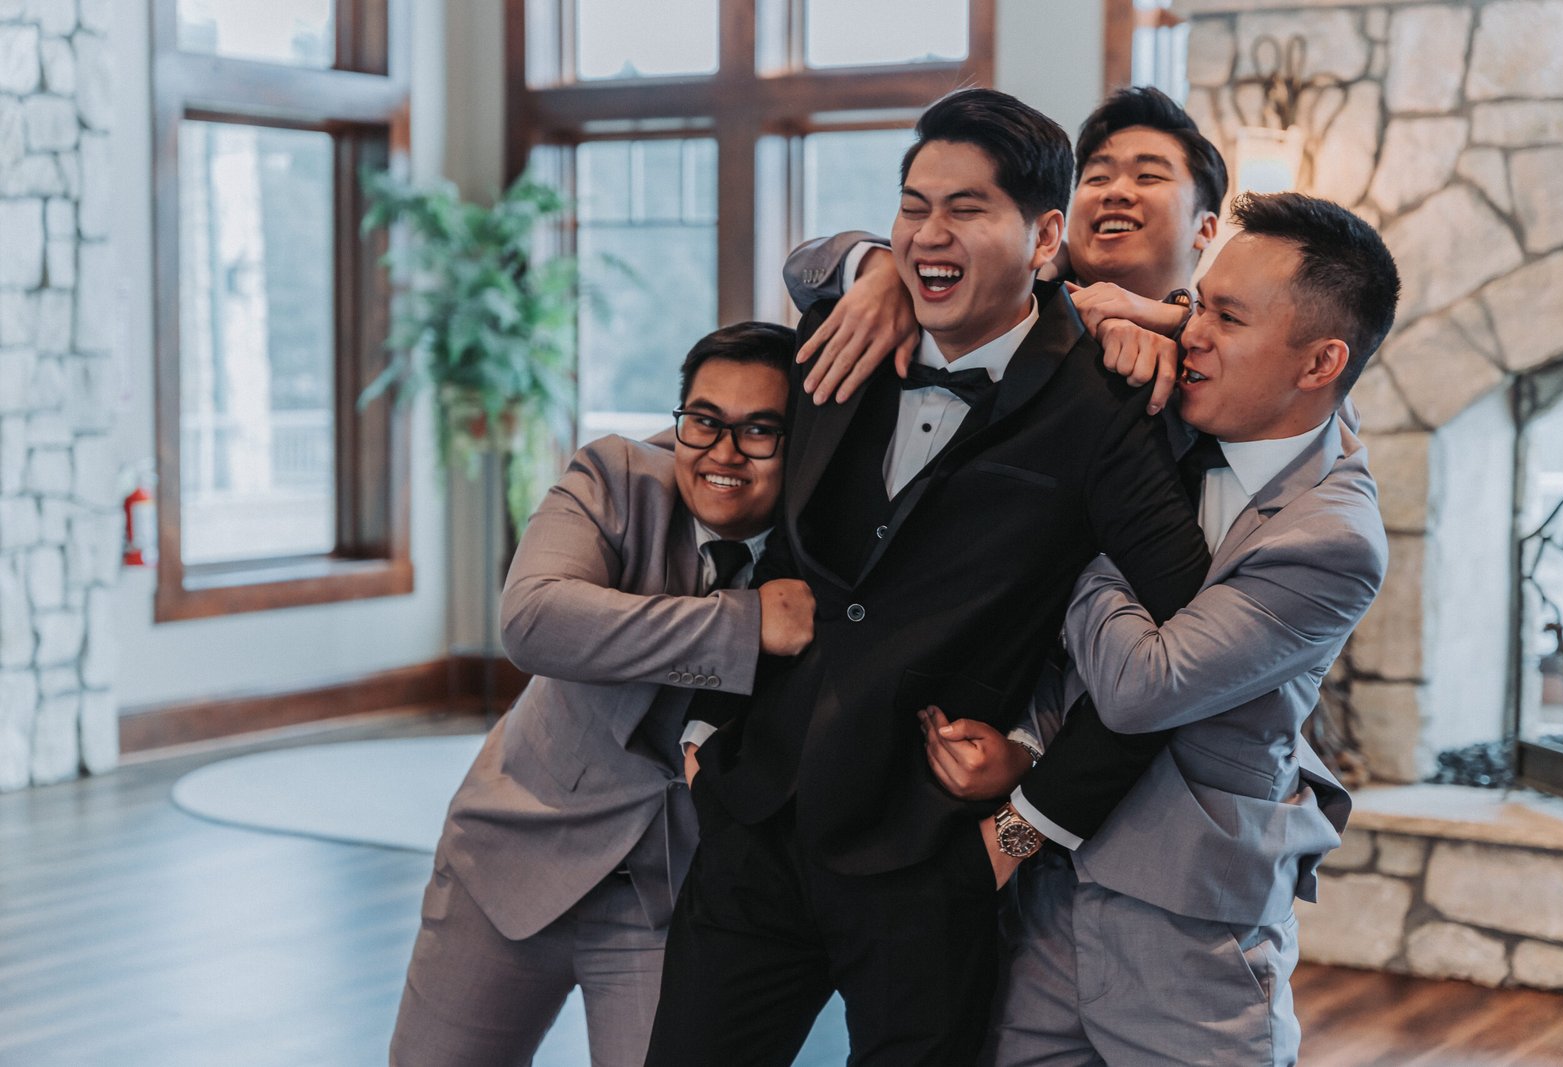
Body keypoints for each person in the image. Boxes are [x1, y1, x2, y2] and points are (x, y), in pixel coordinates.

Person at [644, 87, 1210, 1066]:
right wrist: (705, 733)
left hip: (931, 863)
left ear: (1044, 238)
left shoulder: (1105, 405)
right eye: (914, 206)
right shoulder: (847, 337)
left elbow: (1189, 648)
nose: (928, 233)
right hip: (752, 826)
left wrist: (1025, 827)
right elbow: (785, 546)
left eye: (964, 208)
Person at [925, 191, 1399, 1066]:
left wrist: (1093, 513)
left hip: (1189, 929)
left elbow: (1143, 686)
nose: (1192, 334)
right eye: (1195, 306)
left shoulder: (1333, 537)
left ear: (1320, 362)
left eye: (1226, 317)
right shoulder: (1188, 403)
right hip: (1043, 897)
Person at [389, 322, 814, 1067]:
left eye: (758, 431)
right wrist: (743, 626)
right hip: (513, 859)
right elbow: (533, 618)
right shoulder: (615, 478)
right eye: (704, 420)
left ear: (801, 444)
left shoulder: (826, 551)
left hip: (672, 901)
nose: (722, 452)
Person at [786, 86, 1226, 414]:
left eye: (1148, 177)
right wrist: (879, 269)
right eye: (1097, 178)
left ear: (1205, 227)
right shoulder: (1011, 293)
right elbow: (803, 265)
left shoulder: (1218, 343)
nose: (1115, 192)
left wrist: (1180, 322)